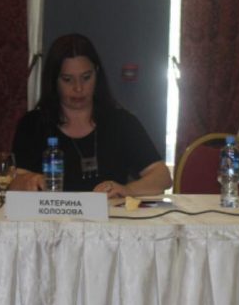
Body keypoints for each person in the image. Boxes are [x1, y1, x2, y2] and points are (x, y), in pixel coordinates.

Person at [10, 33, 172, 197]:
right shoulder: (33, 124)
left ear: (97, 74)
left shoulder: (122, 122)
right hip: (50, 212)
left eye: (86, 78)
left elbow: (162, 177)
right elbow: (14, 182)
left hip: (110, 213)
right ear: (54, 80)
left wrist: (127, 190)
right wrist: (28, 181)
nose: (78, 88)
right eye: (67, 80)